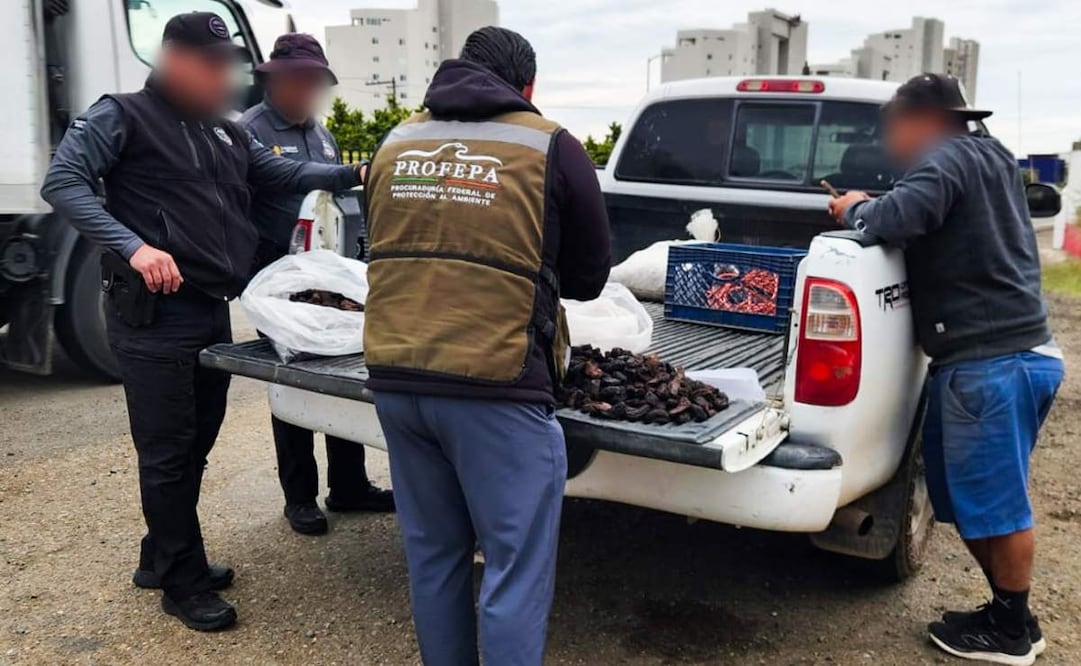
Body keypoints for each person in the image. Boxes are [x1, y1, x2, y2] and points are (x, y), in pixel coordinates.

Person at [40, 12, 364, 632]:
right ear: (176, 61)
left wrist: (358, 173)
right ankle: (182, 583)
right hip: (152, 313)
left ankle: (159, 555)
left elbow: (286, 174)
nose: (224, 79)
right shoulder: (122, 114)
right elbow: (64, 181)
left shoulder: (223, 132)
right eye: (212, 66)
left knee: (196, 444)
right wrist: (133, 246)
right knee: (166, 452)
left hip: (210, 309)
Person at [362, 26, 610, 666]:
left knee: (435, 556)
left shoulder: (395, 144)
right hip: (497, 386)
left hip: (397, 380)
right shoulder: (549, 145)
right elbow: (588, 278)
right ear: (525, 87)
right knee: (514, 567)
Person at [828, 73, 1064, 666]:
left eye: (895, 126)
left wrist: (857, 208)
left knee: (999, 504)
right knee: (968, 497)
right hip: (1001, 357)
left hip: (992, 363)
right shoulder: (988, 154)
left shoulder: (946, 156)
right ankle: (1009, 614)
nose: (892, 140)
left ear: (925, 119)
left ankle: (1012, 630)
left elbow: (897, 218)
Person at [239, 33, 394, 536]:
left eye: (314, 82)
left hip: (324, 276)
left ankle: (348, 485)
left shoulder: (321, 133)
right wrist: (352, 171)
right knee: (293, 377)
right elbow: (288, 176)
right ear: (275, 81)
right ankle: (300, 496)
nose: (307, 91)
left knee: (340, 373)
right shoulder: (250, 131)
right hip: (275, 278)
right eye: (298, 81)